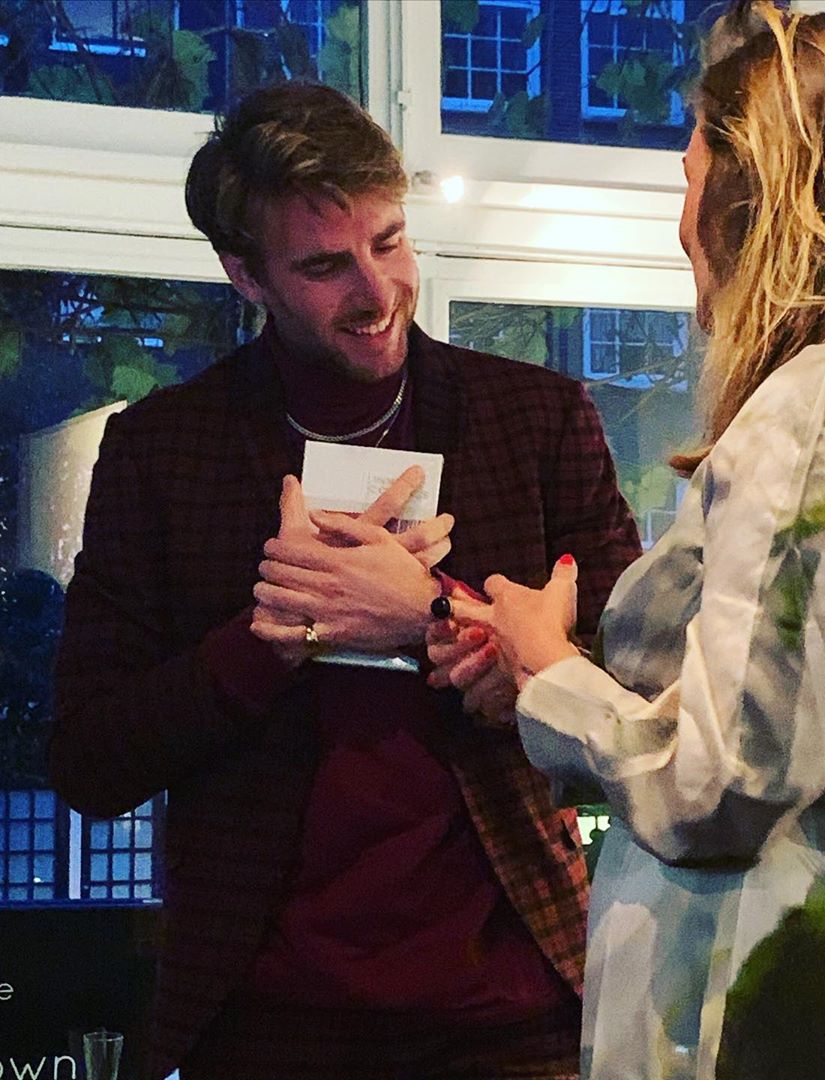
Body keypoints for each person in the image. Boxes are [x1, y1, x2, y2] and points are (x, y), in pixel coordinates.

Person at [432, 5, 825, 1078]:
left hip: (752, 1004)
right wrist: (551, 671)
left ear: (752, 200)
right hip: (824, 976)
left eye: (689, 179)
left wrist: (550, 666)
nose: (680, 224)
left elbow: (715, 786)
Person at [50, 82, 640, 1080]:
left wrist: (445, 621)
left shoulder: (536, 419)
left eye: (390, 241)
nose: (376, 290)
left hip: (513, 1005)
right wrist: (269, 637)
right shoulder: (165, 449)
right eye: (324, 266)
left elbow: (644, 688)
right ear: (246, 275)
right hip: (264, 1016)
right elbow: (88, 763)